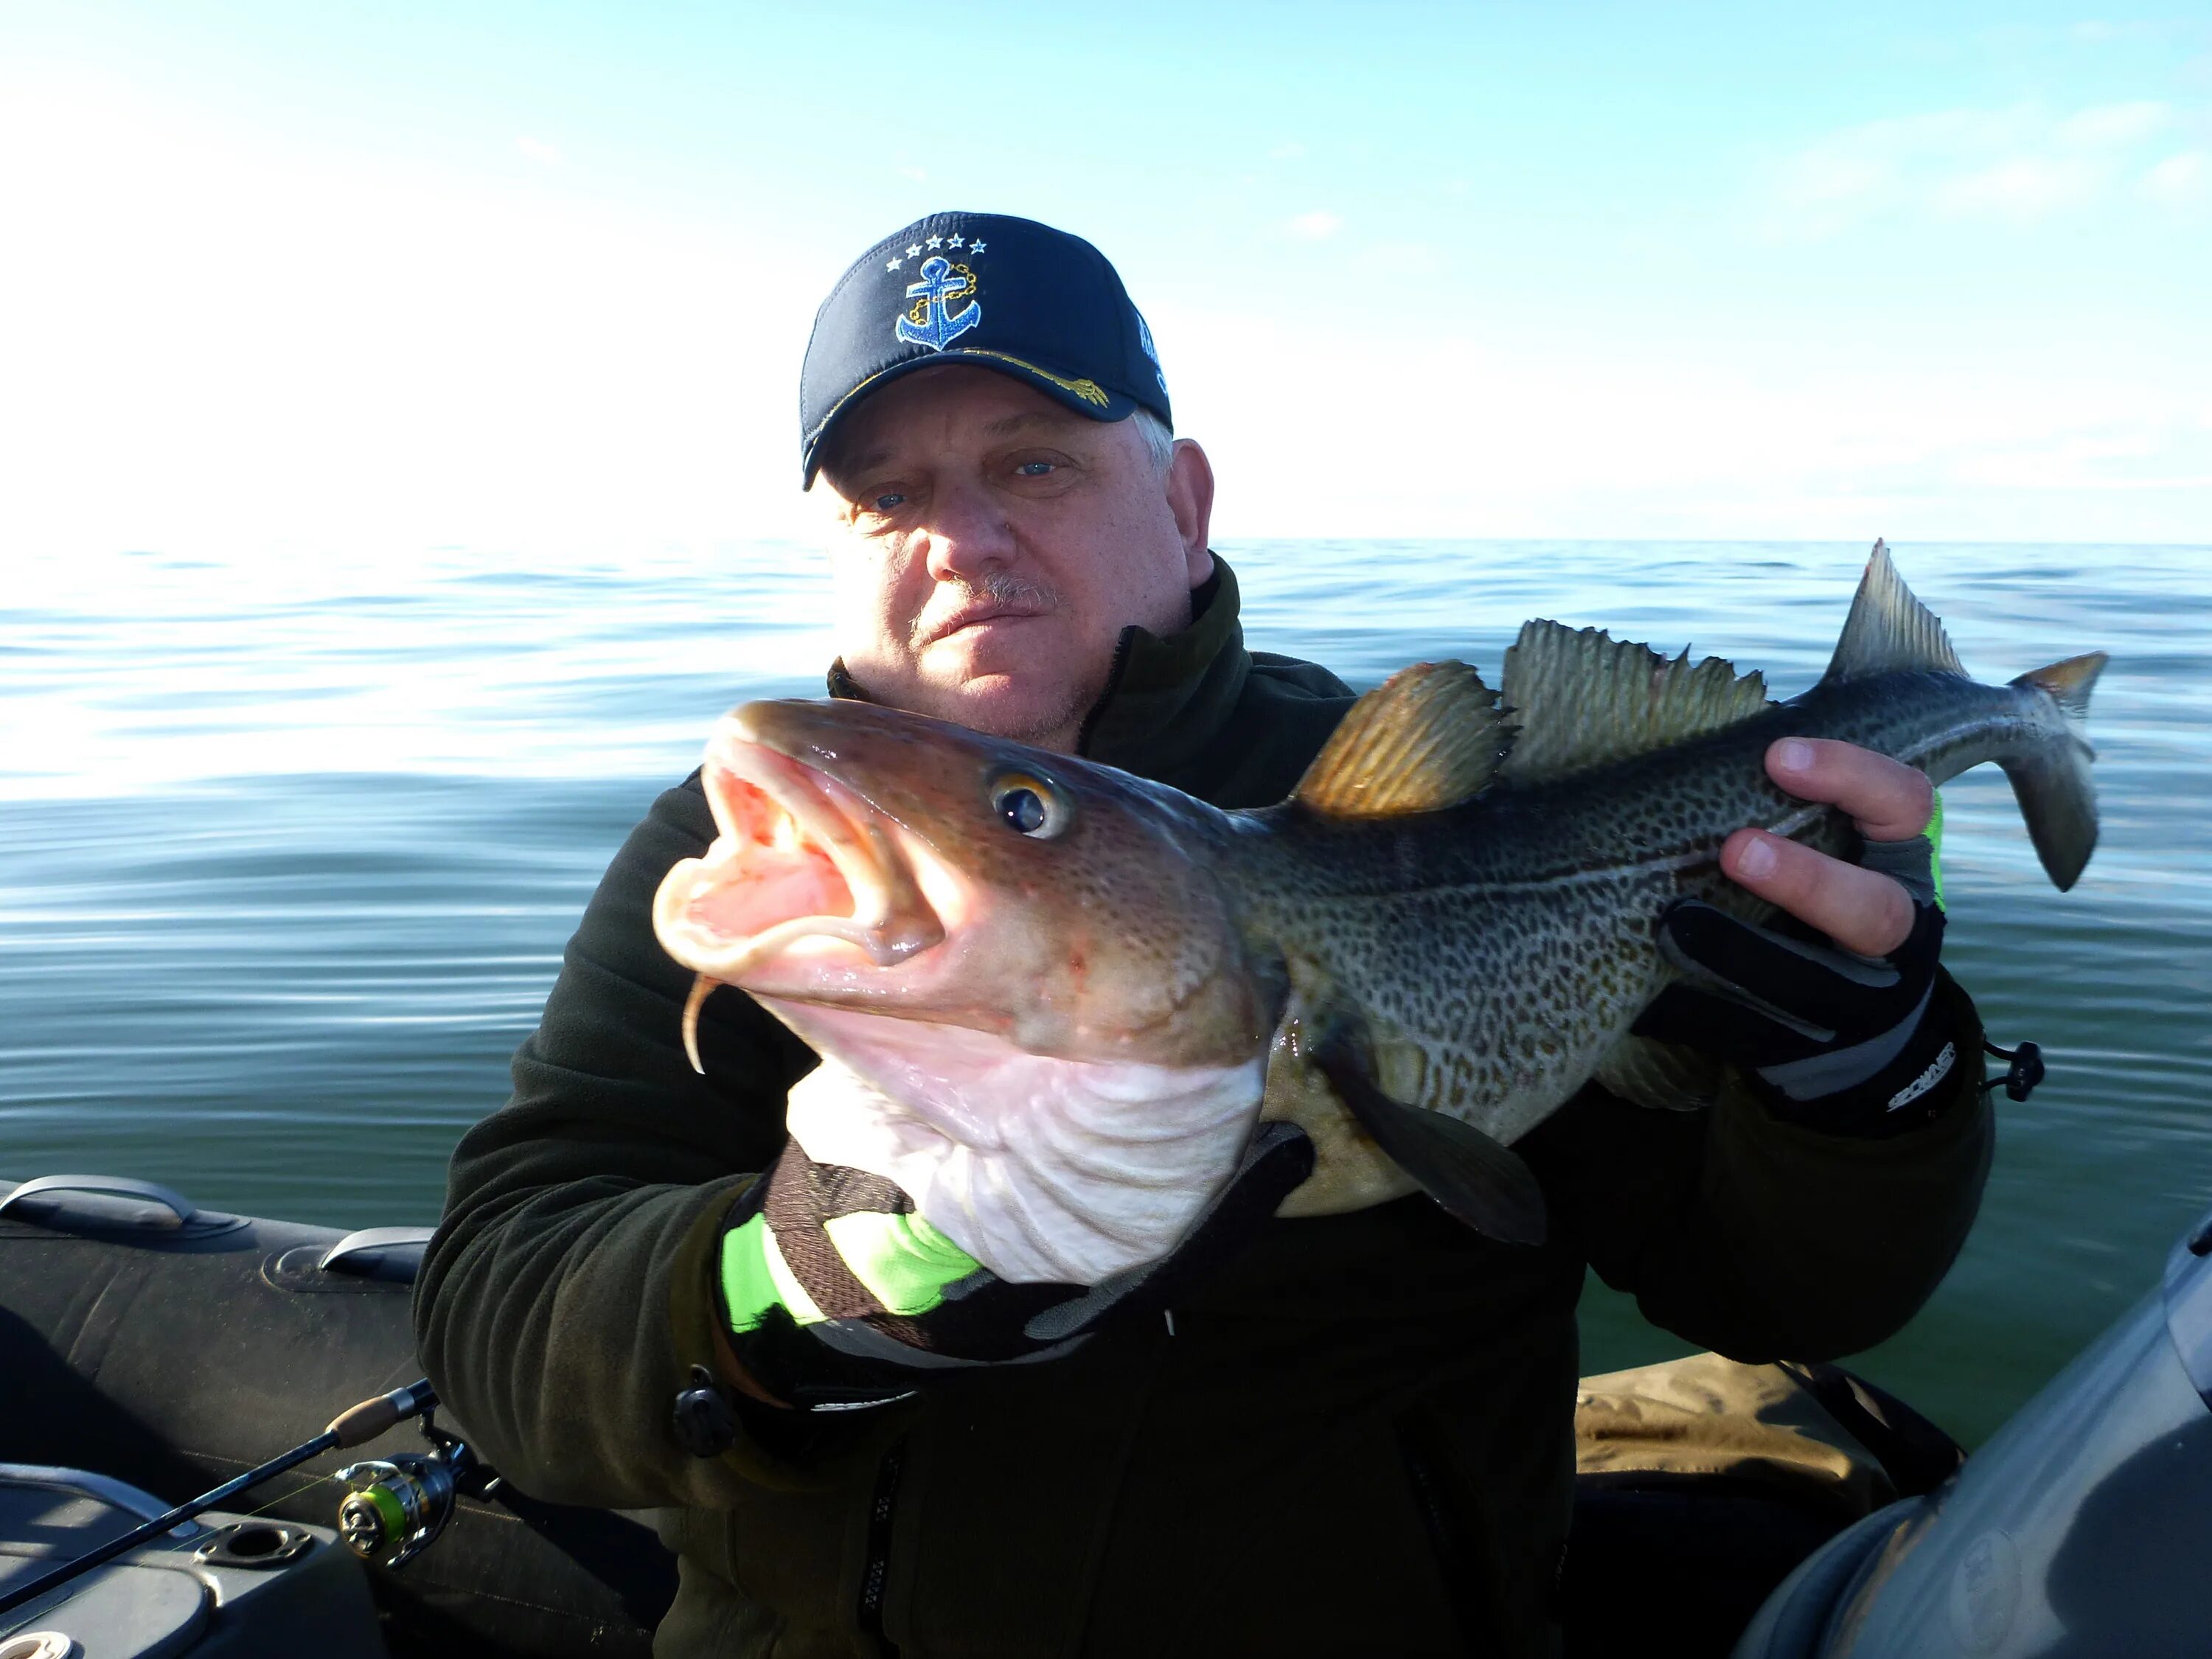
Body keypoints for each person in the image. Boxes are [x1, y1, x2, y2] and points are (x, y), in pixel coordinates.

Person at [414, 212, 1993, 1657]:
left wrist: (1873, 1091)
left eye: (1033, 465)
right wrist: (790, 1288)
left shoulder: (1438, 831)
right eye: (887, 496)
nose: (957, 542)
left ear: (1181, 506)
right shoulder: (761, 859)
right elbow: (499, 1305)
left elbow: (1788, 1297)